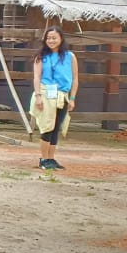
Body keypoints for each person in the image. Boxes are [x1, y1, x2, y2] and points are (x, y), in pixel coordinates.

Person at [30, 25, 78, 170]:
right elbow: (37, 77)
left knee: (56, 127)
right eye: (48, 38)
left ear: (61, 39)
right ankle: (44, 158)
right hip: (46, 93)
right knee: (47, 127)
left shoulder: (70, 57)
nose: (51, 41)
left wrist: (72, 98)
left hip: (62, 95)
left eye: (54, 38)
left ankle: (51, 158)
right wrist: (38, 96)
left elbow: (75, 78)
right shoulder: (41, 57)